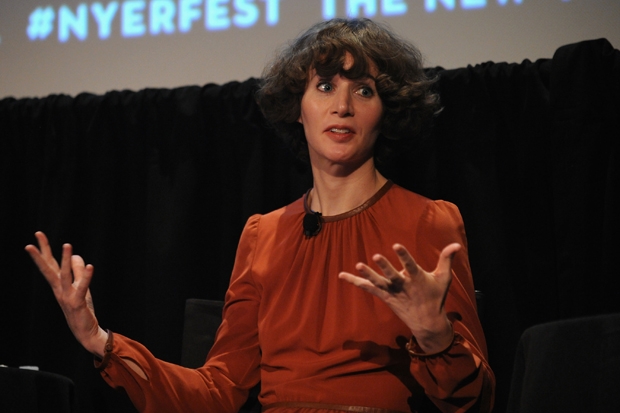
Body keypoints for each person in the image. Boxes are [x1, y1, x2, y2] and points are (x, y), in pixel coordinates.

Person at [25, 18, 495, 413]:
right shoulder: (263, 234)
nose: (342, 106)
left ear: (385, 111)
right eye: (325, 87)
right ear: (298, 108)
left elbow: (476, 400)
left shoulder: (427, 222)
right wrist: (99, 339)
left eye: (364, 91)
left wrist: (434, 334)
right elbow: (217, 392)